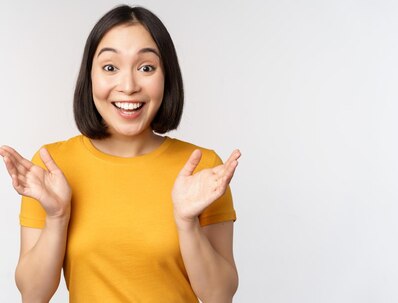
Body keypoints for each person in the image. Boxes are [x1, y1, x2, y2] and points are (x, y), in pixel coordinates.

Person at [0, 5, 240, 302]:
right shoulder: (53, 167)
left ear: (167, 77)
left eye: (146, 67)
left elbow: (220, 296)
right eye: (110, 67)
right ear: (90, 77)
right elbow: (33, 295)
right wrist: (57, 216)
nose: (128, 86)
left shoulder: (202, 168)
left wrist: (186, 223)